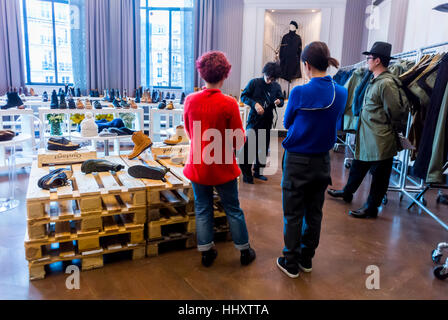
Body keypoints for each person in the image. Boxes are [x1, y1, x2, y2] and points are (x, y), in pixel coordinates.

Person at [277, 42, 348, 278]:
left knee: (293, 212)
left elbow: (287, 123)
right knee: (314, 213)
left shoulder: (299, 92)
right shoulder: (342, 91)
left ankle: (290, 262)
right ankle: (306, 259)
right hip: (322, 162)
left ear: (306, 65)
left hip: (297, 160)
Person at [183, 51, 256, 267]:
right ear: (225, 75)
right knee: (233, 208)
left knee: (203, 208)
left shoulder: (190, 100)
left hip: (198, 165)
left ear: (201, 74)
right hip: (223, 166)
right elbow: (238, 140)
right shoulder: (229, 103)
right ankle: (244, 250)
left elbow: (189, 132)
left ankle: (206, 252)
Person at [327, 41, 408, 219]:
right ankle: (347, 192)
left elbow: (395, 111)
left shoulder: (386, 83)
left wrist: (382, 126)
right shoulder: (374, 80)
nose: (367, 61)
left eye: (369, 58)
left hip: (380, 138)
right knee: (358, 165)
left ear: (377, 60)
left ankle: (372, 208)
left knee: (379, 176)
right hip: (367, 135)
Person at [239, 62, 285, 184]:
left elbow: (281, 101)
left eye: (273, 79)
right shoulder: (254, 83)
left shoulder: (276, 86)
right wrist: (255, 104)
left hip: (267, 120)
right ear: (264, 72)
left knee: (263, 147)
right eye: (269, 77)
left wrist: (278, 101)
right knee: (250, 146)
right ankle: (246, 173)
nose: (270, 80)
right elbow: (243, 96)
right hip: (254, 120)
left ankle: (258, 171)